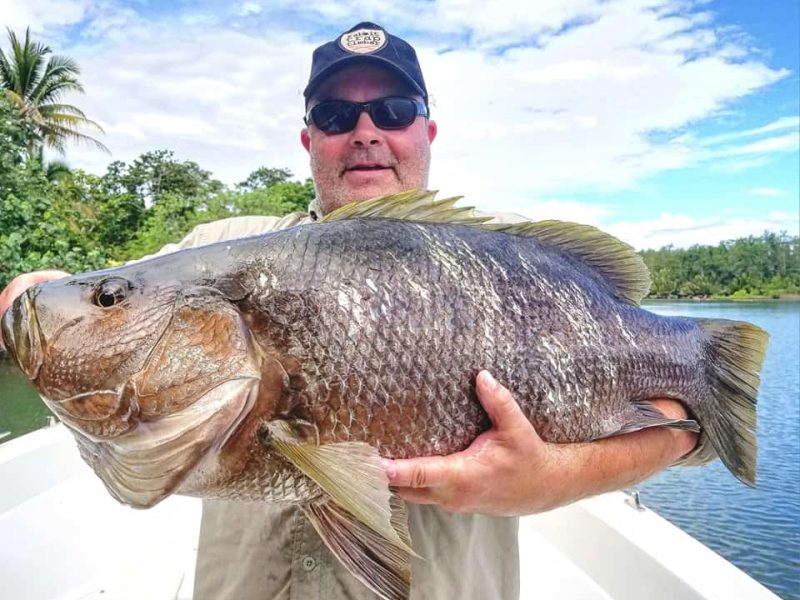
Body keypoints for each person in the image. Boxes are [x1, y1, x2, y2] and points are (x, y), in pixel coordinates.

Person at [0, 22, 698, 600]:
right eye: (336, 115)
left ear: (427, 130)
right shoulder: (218, 252)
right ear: (310, 139)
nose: (365, 131)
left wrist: (547, 480)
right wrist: (38, 293)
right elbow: (62, 295)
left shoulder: (508, 255)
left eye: (391, 111)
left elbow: (688, 429)